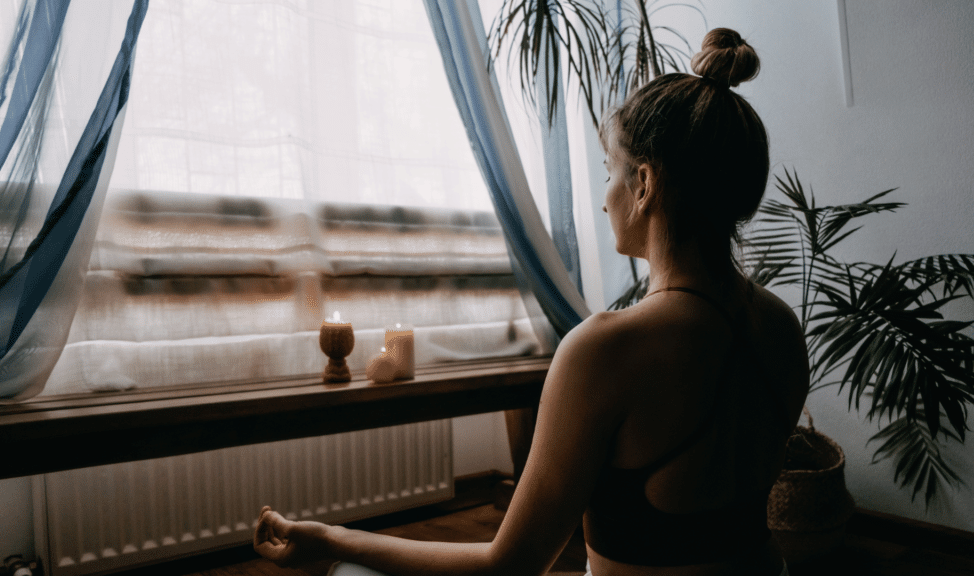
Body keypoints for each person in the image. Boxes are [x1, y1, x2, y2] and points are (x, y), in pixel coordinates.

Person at [254, 28, 809, 576]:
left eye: (609, 173)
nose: (603, 199)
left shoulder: (607, 349)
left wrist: (334, 539)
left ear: (644, 185)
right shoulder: (781, 327)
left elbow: (508, 567)